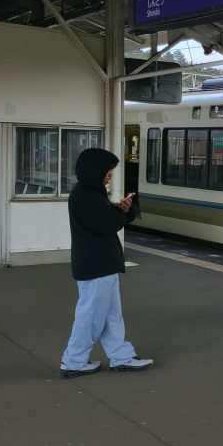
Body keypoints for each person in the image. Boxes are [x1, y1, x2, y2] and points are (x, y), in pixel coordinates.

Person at [59, 148, 154, 377]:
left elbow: (107, 218)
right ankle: (73, 361)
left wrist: (122, 211)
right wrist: (122, 213)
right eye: (107, 171)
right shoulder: (86, 196)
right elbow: (107, 223)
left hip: (100, 266)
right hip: (96, 266)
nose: (110, 175)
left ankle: (121, 356)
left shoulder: (90, 193)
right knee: (90, 317)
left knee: (111, 316)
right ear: (95, 171)